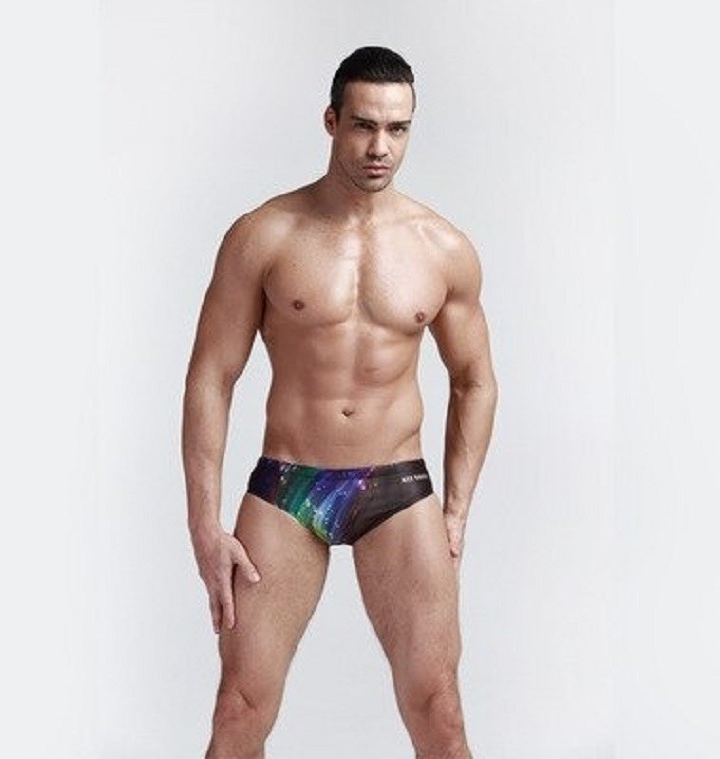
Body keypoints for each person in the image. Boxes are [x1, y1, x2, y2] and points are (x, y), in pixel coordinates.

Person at [182, 45, 498, 759]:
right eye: (364, 125)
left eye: (397, 128)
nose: (380, 146)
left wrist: (455, 510)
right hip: (289, 487)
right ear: (331, 121)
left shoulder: (442, 247)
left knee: (440, 710)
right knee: (239, 710)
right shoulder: (264, 235)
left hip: (397, 487)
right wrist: (204, 523)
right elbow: (210, 376)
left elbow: (475, 378)